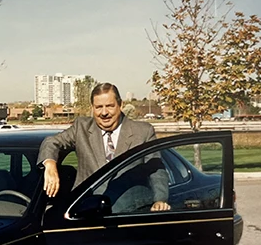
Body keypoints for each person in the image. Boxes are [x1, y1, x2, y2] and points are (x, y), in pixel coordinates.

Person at [38, 82, 170, 212]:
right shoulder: (81, 128)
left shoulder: (143, 132)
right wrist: (50, 165)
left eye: (110, 106)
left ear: (120, 104)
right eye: (98, 107)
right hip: (87, 212)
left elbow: (156, 169)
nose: (104, 112)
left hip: (130, 213)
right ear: (92, 108)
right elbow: (51, 142)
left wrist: (160, 200)